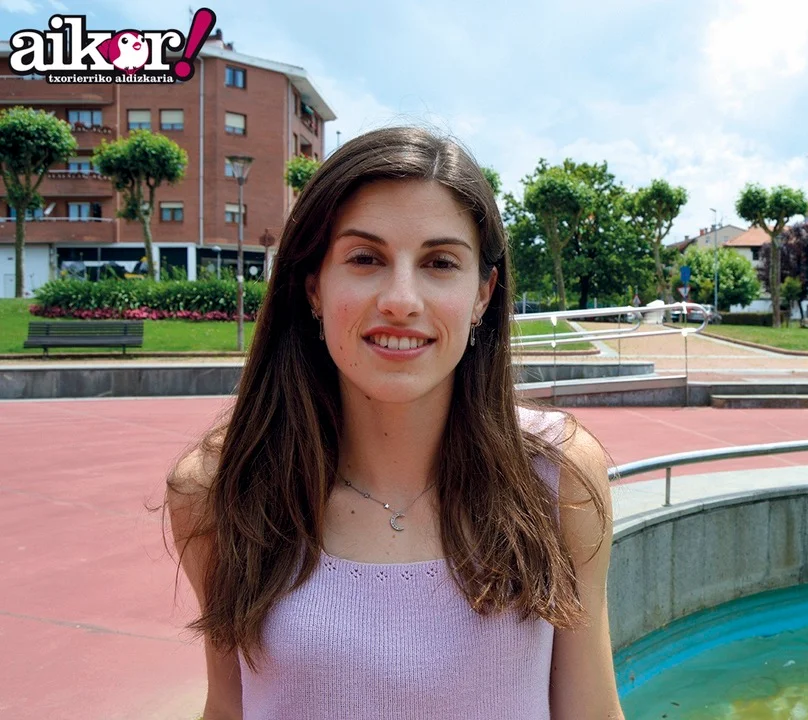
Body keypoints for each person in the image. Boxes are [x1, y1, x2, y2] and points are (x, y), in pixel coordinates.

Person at [165, 126, 625, 719]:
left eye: (440, 263)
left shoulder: (556, 478)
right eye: (365, 258)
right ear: (313, 285)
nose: (401, 299)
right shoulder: (218, 489)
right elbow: (229, 708)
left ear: (483, 294)